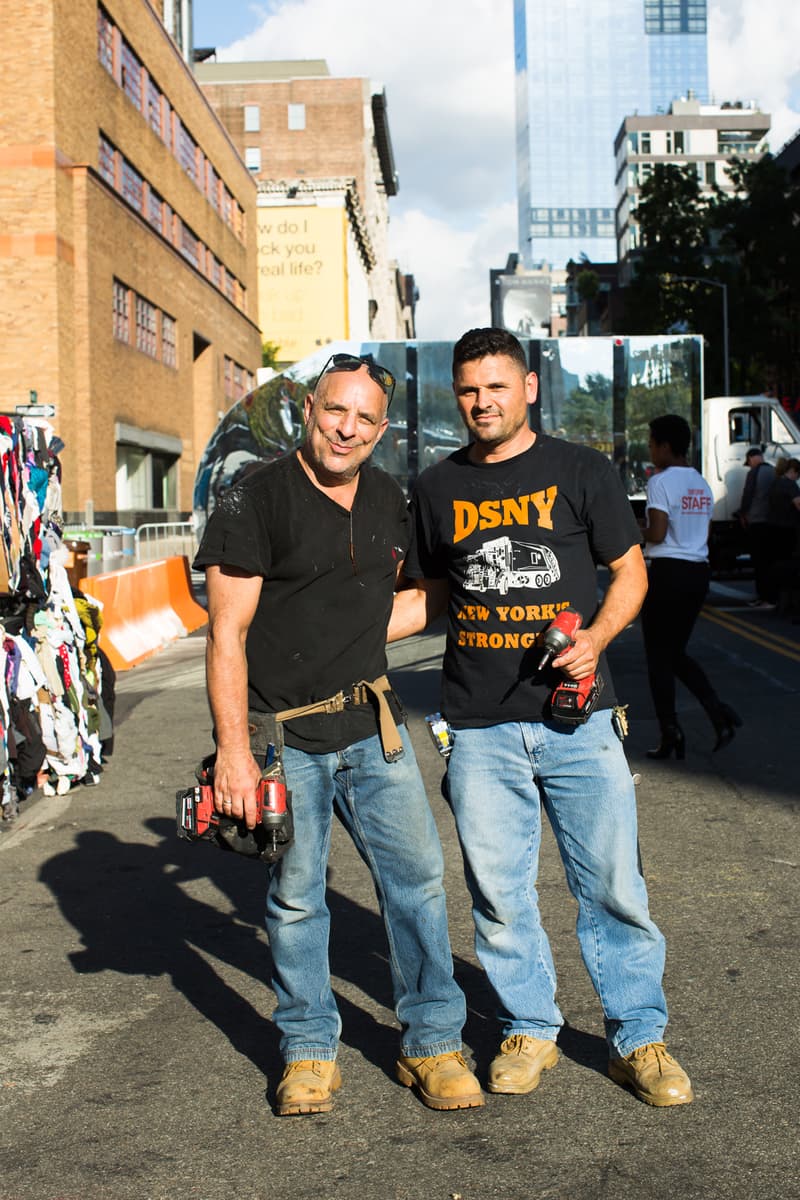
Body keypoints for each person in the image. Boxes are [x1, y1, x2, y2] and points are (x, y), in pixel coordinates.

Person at [389, 327, 693, 1108]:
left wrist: (594, 639)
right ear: (455, 396)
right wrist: (333, 630)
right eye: (468, 389)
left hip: (580, 717)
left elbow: (630, 574)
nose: (481, 402)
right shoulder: (435, 488)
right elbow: (430, 596)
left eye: (496, 386)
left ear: (528, 388)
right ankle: (530, 1026)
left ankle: (640, 1038)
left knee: (612, 887)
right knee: (499, 891)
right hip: (478, 721)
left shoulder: (580, 469)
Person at [193, 351, 482, 1116]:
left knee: (416, 884)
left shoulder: (391, 499)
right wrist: (233, 753)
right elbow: (227, 634)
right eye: (334, 411)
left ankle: (434, 1044)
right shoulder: (253, 497)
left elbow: (411, 603)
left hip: (374, 727)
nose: (346, 429)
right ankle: (310, 1050)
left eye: (362, 418)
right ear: (311, 409)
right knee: (296, 901)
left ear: (381, 430)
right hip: (285, 739)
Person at [640, 414, 742, 759]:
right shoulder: (701, 483)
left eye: (653, 444)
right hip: (697, 572)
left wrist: (631, 531)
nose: (651, 450)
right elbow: (704, 534)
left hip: (668, 572)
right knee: (674, 653)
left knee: (658, 658)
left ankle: (671, 733)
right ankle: (718, 713)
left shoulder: (660, 481)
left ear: (666, 446)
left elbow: (656, 533)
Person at [738, 446, 776, 607]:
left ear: (753, 458)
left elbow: (748, 495)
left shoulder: (754, 473)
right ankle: (771, 596)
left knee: (759, 562)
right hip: (772, 522)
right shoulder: (774, 471)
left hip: (756, 521)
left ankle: (763, 596)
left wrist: (742, 514)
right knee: (770, 561)